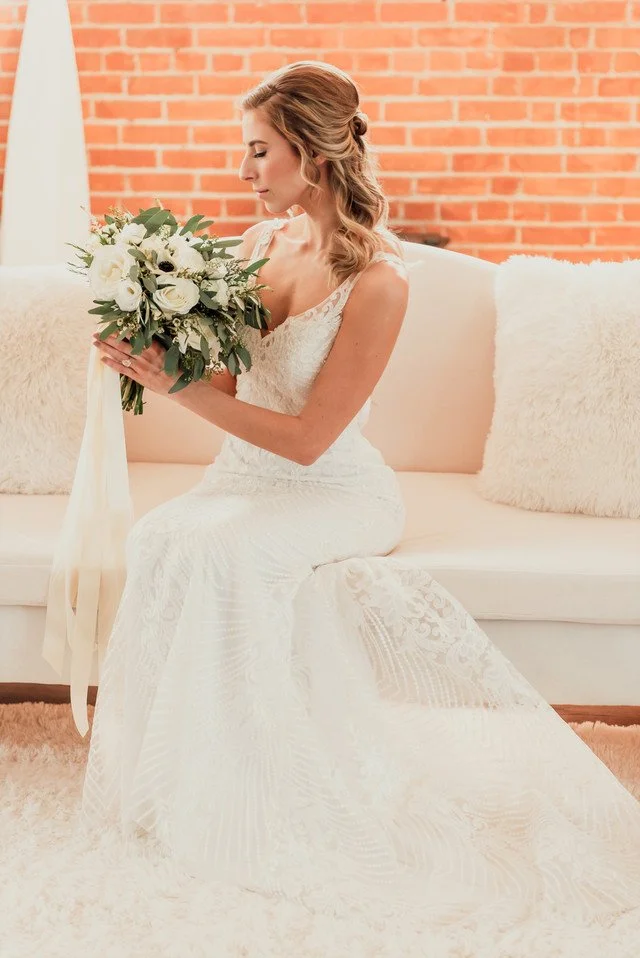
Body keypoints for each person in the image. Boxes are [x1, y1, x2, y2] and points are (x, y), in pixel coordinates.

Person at [82, 61, 640, 954]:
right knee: (164, 537)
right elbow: (230, 381)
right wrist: (155, 342)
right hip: (244, 477)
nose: (246, 170)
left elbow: (307, 438)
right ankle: (184, 779)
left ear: (310, 152)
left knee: (228, 556)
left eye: (259, 151)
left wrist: (176, 388)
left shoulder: (380, 281)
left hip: (332, 488)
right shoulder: (261, 247)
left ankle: (269, 789)